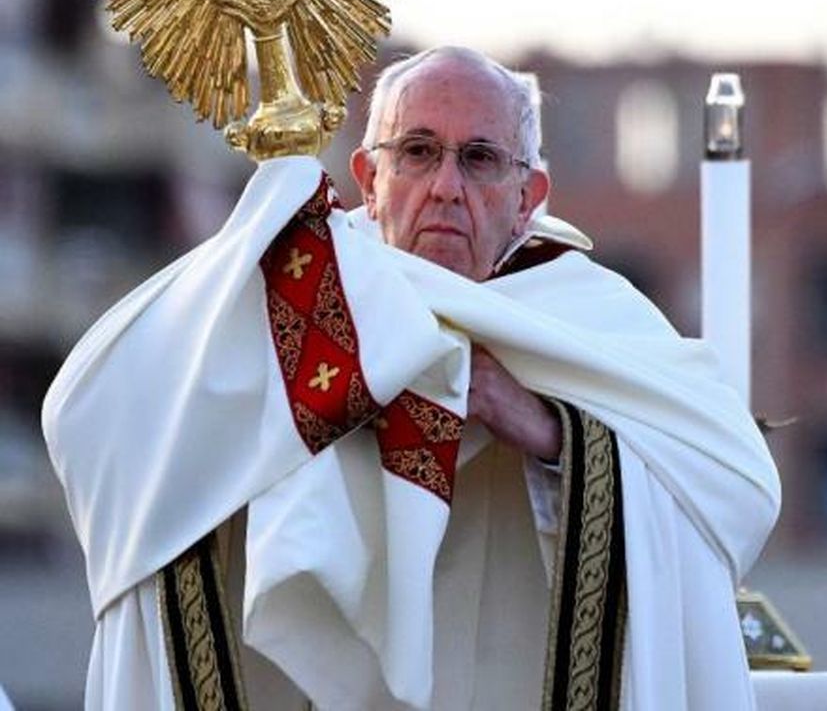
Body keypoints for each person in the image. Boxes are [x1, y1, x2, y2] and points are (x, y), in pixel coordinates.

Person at [42, 46, 780, 711]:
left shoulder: (590, 318)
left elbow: (738, 487)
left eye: (481, 158)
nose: (447, 187)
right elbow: (96, 410)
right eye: (419, 152)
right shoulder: (289, 300)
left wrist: (557, 435)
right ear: (367, 176)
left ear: (530, 195)